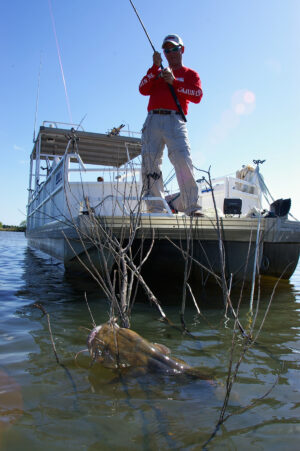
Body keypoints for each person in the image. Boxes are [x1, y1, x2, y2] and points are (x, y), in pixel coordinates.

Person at [139, 34, 203, 216]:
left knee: (183, 160)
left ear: (181, 50)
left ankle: (193, 207)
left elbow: (197, 95)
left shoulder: (191, 74)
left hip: (175, 121)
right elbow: (142, 88)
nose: (171, 53)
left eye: (174, 49)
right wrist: (153, 67)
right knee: (150, 162)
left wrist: (174, 83)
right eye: (167, 50)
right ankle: (155, 208)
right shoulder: (156, 72)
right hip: (152, 120)